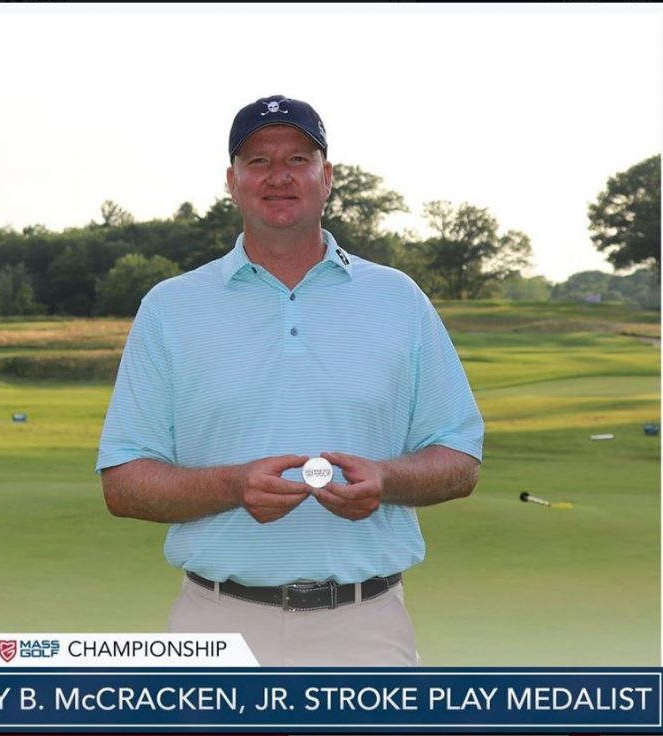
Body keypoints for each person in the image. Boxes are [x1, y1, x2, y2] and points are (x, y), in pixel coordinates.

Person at [96, 94, 484, 667]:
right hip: (212, 626)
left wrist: (385, 478)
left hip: (366, 629)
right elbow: (123, 482)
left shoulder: (398, 298)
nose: (278, 175)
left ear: (326, 178)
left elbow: (459, 459)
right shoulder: (170, 307)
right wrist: (232, 487)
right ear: (232, 181)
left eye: (298, 158)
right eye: (257, 161)